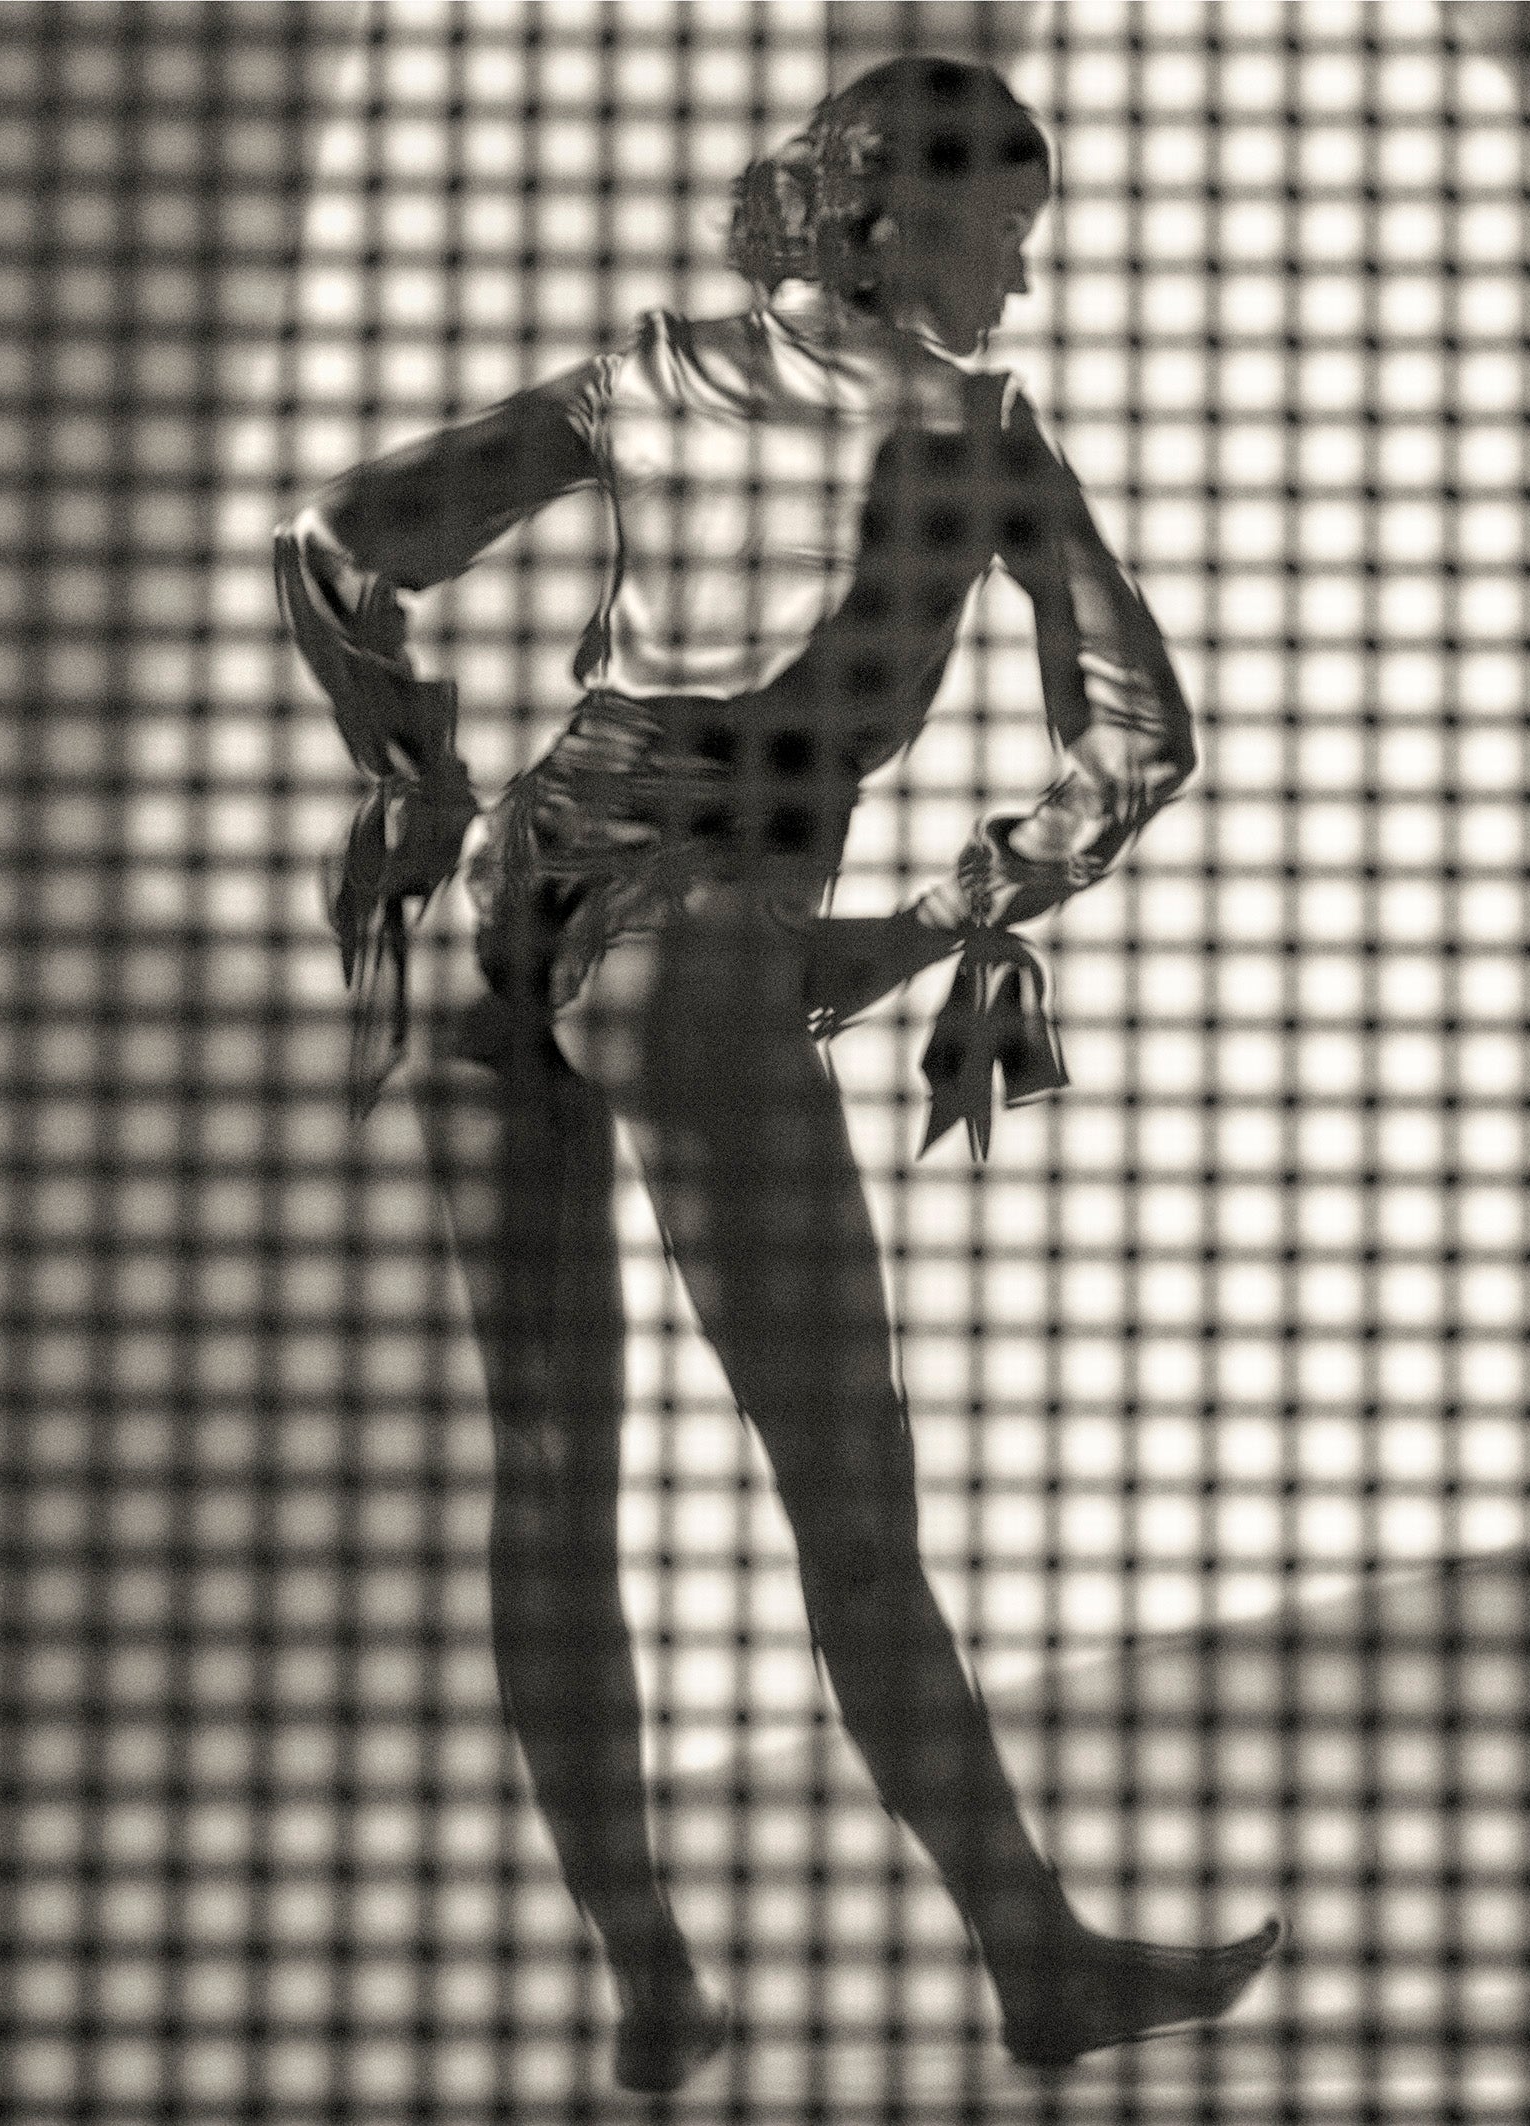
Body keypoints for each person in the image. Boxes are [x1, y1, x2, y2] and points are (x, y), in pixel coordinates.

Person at [275, 54, 1281, 2095]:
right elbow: (1139, 739)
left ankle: (654, 1982)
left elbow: (335, 545)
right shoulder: (981, 438)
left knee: (547, 1471)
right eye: (1006, 226)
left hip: (500, 916)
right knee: (849, 1506)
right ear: (893, 223)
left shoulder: (646, 372)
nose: (1021, 270)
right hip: (700, 940)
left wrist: (416, 775)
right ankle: (1038, 1965)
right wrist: (935, 916)